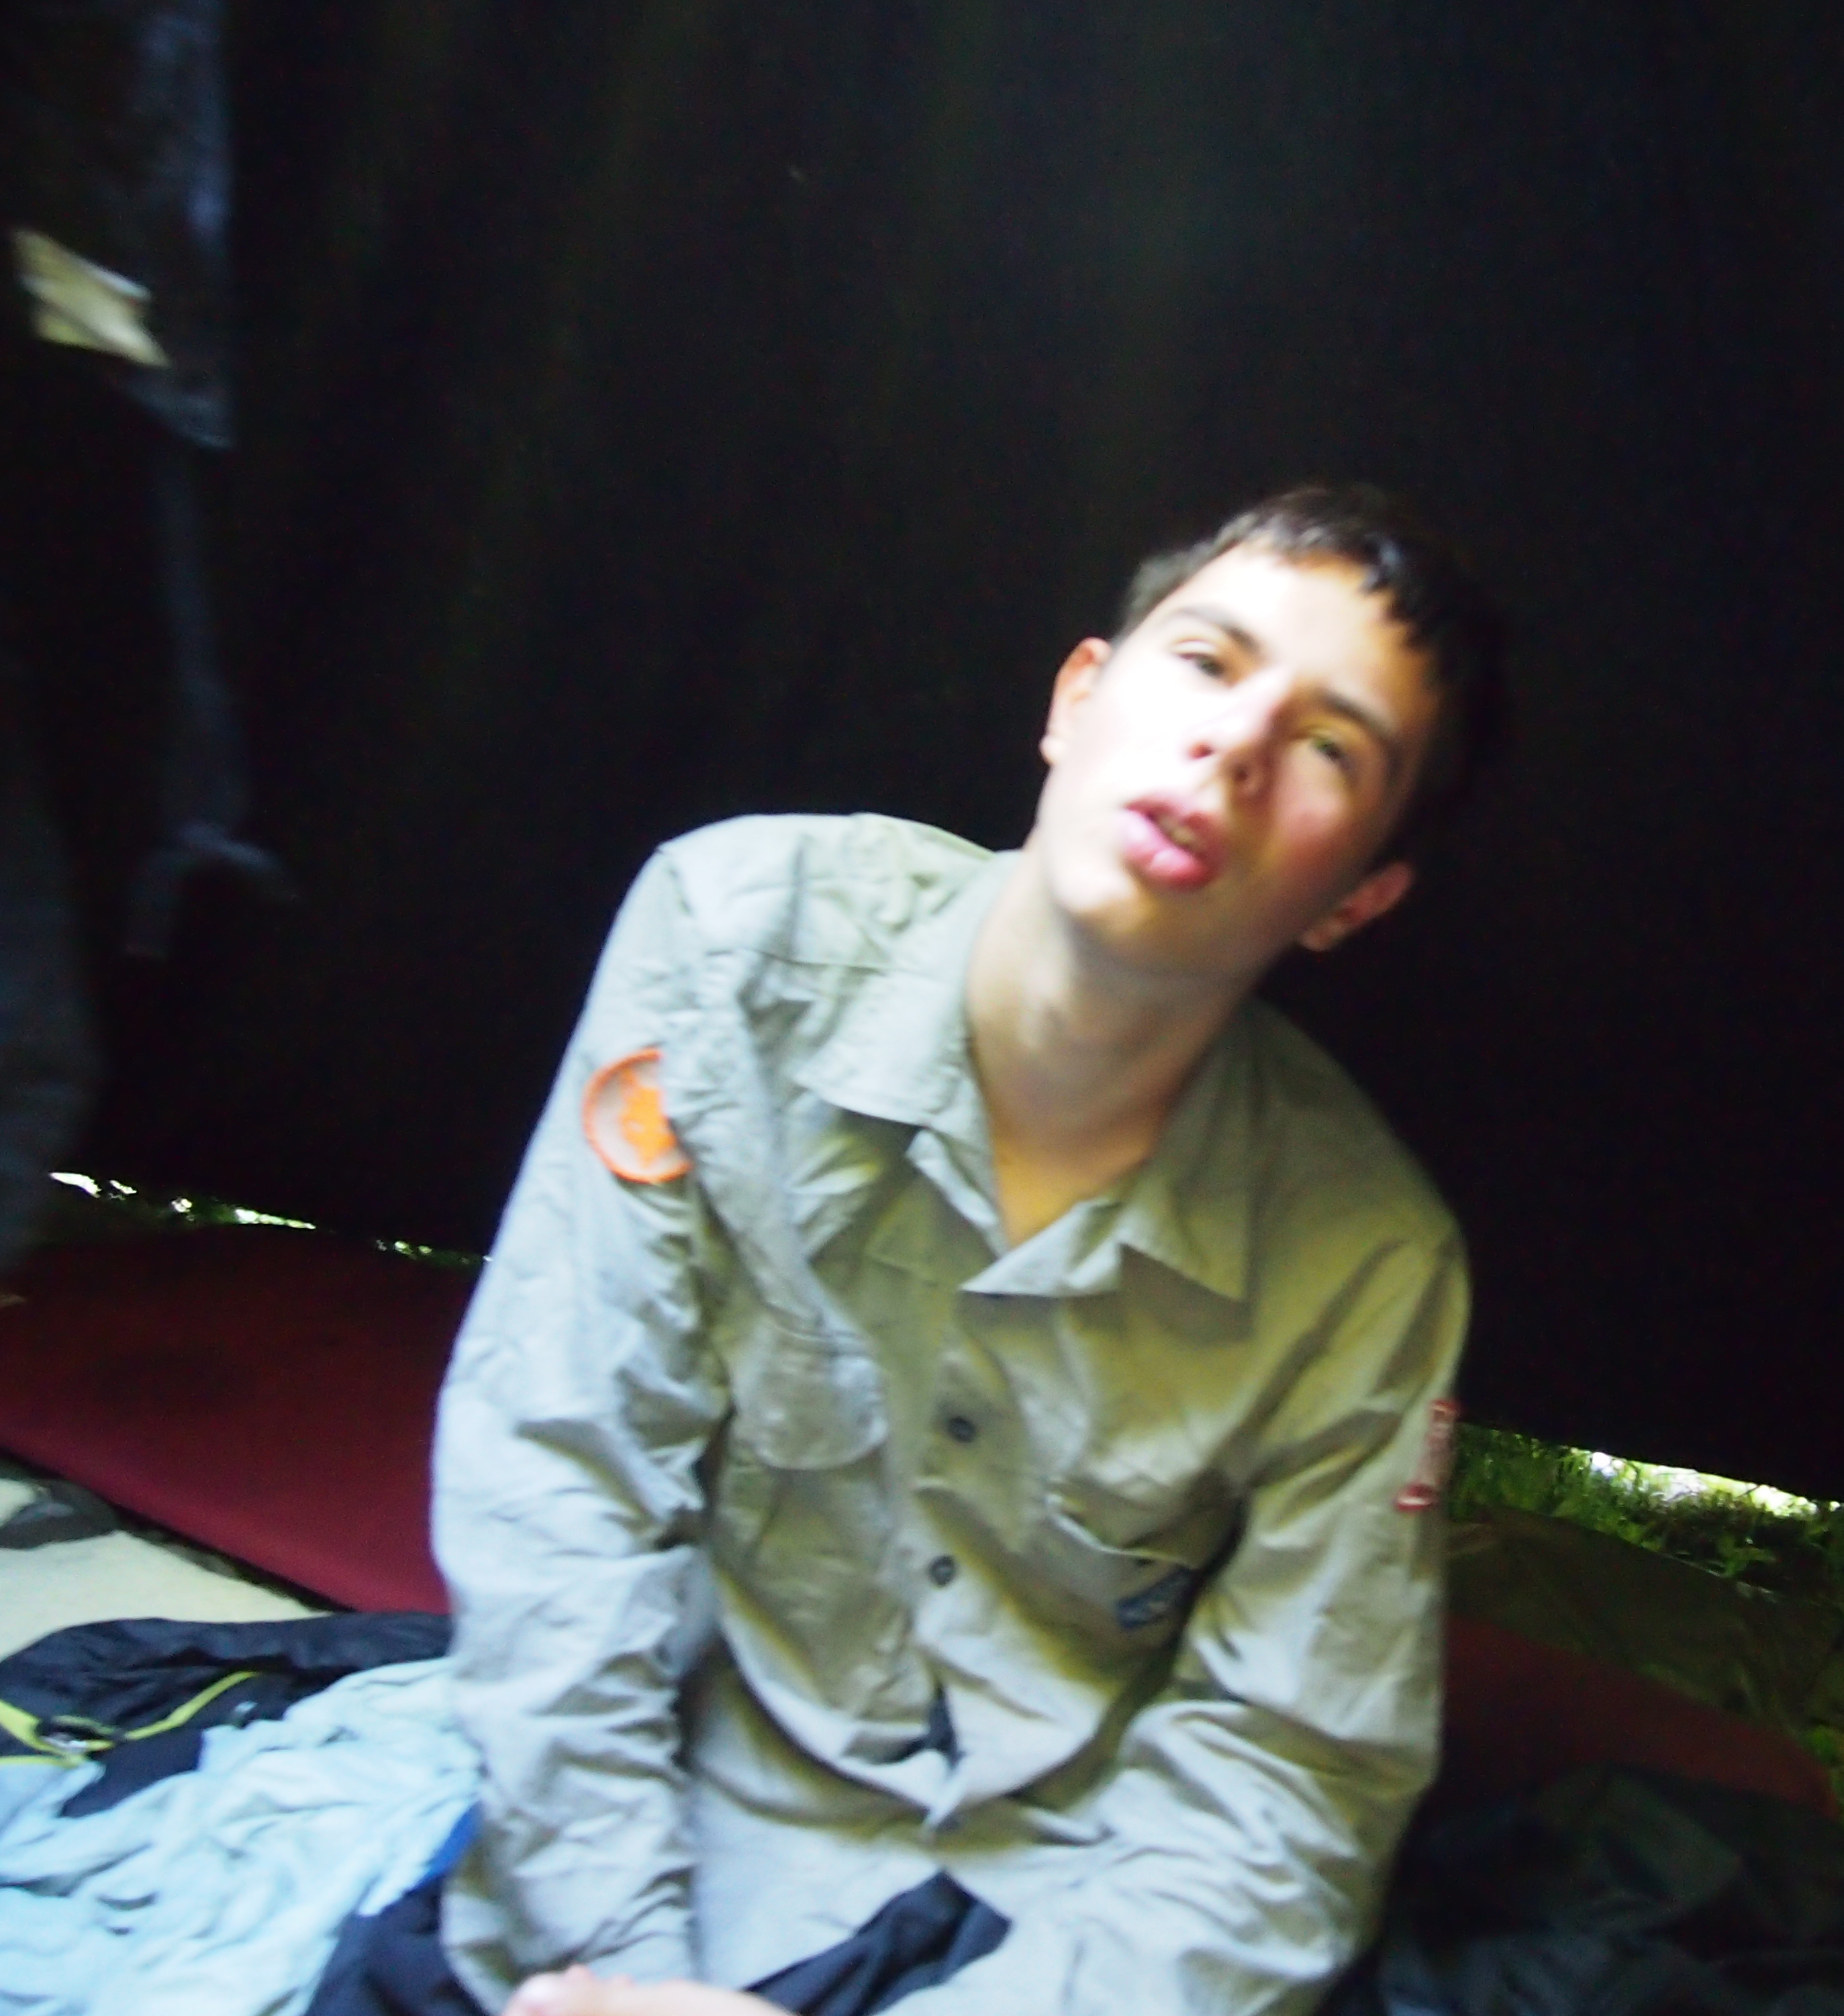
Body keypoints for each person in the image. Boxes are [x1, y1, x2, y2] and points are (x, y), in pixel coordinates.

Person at [419, 487, 1510, 2016]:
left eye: (1331, 747)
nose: (1237, 746)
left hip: (1051, 1934)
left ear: (1360, 896)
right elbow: (561, 1475)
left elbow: (1289, 1777)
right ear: (1077, 701)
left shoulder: (1369, 1264)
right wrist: (624, 1965)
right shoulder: (735, 940)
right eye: (1206, 662)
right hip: (643, 1868)